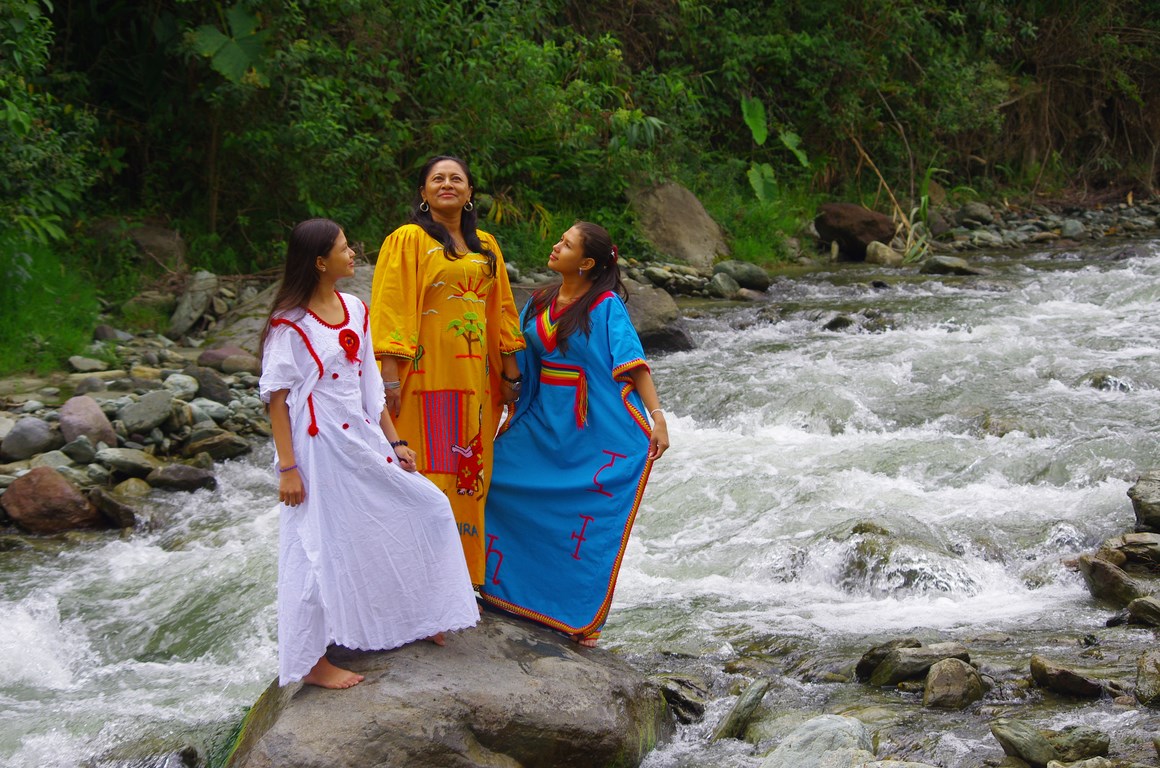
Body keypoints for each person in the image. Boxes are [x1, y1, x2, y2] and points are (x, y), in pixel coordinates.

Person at [259, 218, 479, 689]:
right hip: (317, 447)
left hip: (361, 436)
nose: (352, 251)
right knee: (317, 545)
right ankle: (313, 662)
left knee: (426, 507)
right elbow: (277, 398)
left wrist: (395, 440)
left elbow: (370, 384)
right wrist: (288, 469)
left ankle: (425, 611)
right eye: (343, 247)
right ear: (321, 262)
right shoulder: (289, 324)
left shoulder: (356, 307)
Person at [479, 221, 669, 647]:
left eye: (566, 244)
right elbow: (516, 353)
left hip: (588, 432)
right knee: (491, 482)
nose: (555, 245)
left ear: (585, 263)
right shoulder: (541, 299)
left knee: (579, 522)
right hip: (540, 422)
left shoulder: (604, 307)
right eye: (559, 239)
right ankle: (498, 590)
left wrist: (657, 416)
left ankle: (577, 616)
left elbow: (633, 363)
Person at [370, 155, 525, 586]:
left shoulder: (486, 246)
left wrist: (511, 377)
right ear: (423, 193)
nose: (447, 184)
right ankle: (420, 582)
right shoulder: (409, 240)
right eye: (437, 179)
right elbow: (392, 310)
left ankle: (462, 581)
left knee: (469, 475)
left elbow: (504, 313)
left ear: (470, 192)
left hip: (476, 382)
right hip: (424, 379)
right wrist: (389, 377)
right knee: (425, 475)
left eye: (457, 179)